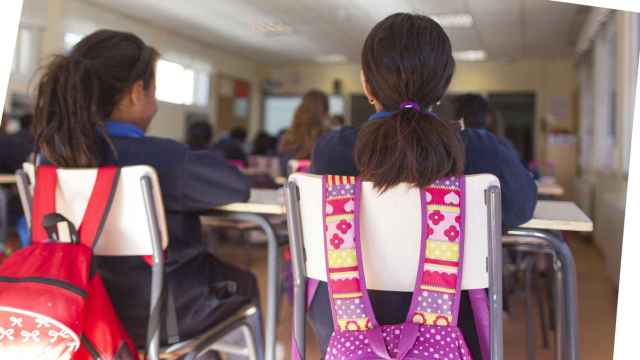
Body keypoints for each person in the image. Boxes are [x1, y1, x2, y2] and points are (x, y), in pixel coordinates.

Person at [309, 13, 537, 359]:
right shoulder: (482, 152)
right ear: (443, 87)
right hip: (459, 334)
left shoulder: (334, 152)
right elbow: (521, 209)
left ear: (366, 84)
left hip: (346, 333)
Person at [31, 29, 260, 348]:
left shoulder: (48, 159)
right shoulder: (159, 157)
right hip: (160, 315)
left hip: (77, 305)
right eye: (154, 91)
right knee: (244, 283)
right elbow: (235, 186)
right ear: (137, 92)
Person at [277, 89, 328, 175]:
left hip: (291, 185)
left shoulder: (288, 138)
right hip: (317, 186)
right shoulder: (327, 140)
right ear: (325, 112)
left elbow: (283, 170)